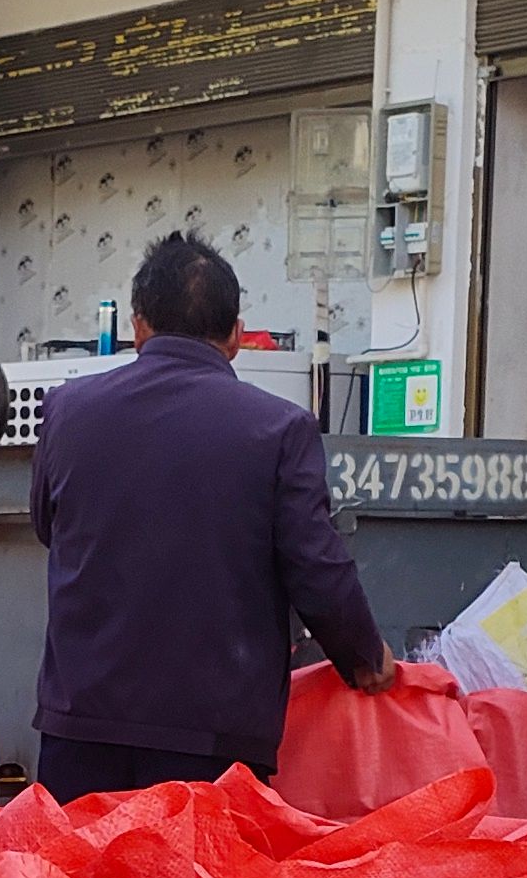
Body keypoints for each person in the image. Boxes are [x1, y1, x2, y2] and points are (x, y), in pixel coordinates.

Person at [24, 230, 393, 797]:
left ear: (138, 324)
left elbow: (50, 529)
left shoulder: (68, 411)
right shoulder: (279, 429)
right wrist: (365, 657)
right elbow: (317, 569)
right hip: (214, 743)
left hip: (81, 729)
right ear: (237, 337)